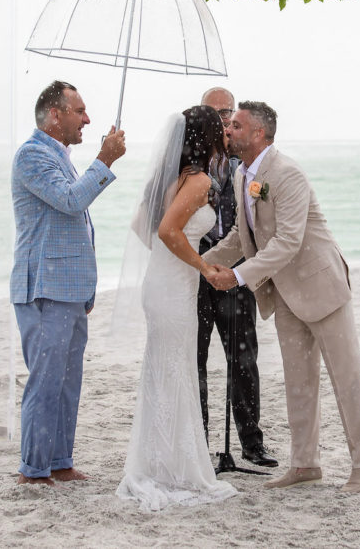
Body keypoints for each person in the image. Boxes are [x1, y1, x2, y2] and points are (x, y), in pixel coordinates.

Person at [203, 101, 360, 494]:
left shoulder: (287, 174)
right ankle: (304, 464)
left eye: (236, 125)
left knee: (346, 378)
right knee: (299, 381)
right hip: (283, 292)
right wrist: (198, 264)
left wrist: (235, 277)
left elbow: (287, 241)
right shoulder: (242, 175)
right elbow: (239, 236)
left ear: (259, 134)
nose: (228, 130)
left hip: (322, 287)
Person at [116, 105, 238, 511]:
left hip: (163, 282)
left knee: (167, 370)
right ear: (207, 135)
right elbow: (169, 230)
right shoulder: (199, 180)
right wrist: (202, 266)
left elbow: (143, 226)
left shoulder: (170, 177)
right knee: (174, 369)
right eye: (221, 128)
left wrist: (171, 262)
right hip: (174, 289)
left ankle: (161, 461)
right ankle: (170, 467)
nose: (227, 133)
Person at [10, 80, 126, 486]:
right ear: (55, 115)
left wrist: (86, 289)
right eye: (80, 111)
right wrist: (105, 159)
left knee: (67, 382)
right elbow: (73, 201)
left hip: (69, 291)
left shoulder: (60, 156)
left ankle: (59, 461)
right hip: (44, 289)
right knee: (45, 382)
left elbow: (72, 224)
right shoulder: (31, 155)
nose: (87, 119)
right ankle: (33, 470)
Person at [196, 87, 276, 468]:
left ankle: (251, 442)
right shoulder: (192, 161)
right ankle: (197, 440)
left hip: (236, 271)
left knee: (243, 358)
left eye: (228, 112)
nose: (224, 120)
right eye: (215, 113)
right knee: (194, 360)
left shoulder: (246, 162)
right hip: (196, 270)